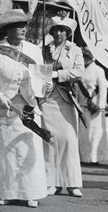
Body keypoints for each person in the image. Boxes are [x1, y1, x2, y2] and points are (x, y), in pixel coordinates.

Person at [0, 9, 47, 208]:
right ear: (7, 29)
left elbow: (42, 78)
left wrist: (44, 88)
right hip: (5, 108)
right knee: (7, 152)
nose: (23, 30)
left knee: (29, 150)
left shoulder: (34, 50)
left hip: (28, 107)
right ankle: (7, 192)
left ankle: (30, 193)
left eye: (24, 26)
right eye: (18, 26)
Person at [40, 15, 84, 197]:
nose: (59, 33)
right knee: (49, 140)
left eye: (62, 30)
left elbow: (79, 72)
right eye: (56, 29)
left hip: (66, 98)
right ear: (51, 32)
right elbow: (37, 70)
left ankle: (72, 183)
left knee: (68, 139)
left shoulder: (74, 50)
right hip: (47, 99)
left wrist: (58, 74)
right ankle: (51, 182)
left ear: (67, 33)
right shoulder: (44, 49)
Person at [76, 47, 108, 164]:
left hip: (95, 106)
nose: (85, 59)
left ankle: (94, 158)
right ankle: (84, 157)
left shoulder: (98, 70)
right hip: (83, 105)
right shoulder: (79, 70)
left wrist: (101, 105)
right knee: (83, 134)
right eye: (83, 56)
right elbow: (77, 89)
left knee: (95, 133)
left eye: (87, 56)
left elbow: (103, 88)